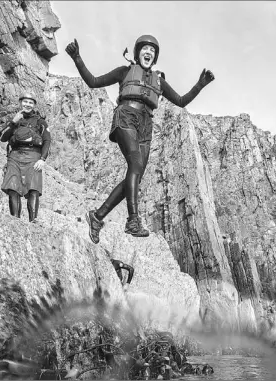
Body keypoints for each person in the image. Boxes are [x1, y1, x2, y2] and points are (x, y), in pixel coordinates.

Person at [65, 34, 215, 243]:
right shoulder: (125, 71)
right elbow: (93, 82)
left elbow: (180, 101)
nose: (149, 52)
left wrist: (200, 84)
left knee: (135, 175)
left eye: (152, 51)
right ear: (138, 53)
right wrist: (77, 58)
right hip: (126, 116)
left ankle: (97, 217)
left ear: (155, 58)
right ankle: (133, 220)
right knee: (135, 164)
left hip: (146, 125)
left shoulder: (159, 81)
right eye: (145, 48)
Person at [0, 93, 52, 223]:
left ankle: (33, 220)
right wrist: (13, 122)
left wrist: (42, 159)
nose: (27, 105)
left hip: (34, 156)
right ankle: (15, 220)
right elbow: (2, 138)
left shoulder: (40, 122)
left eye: (30, 102)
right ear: (20, 102)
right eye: (25, 102)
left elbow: (47, 140)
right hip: (15, 156)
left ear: (34, 105)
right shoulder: (15, 120)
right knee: (13, 187)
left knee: (33, 188)